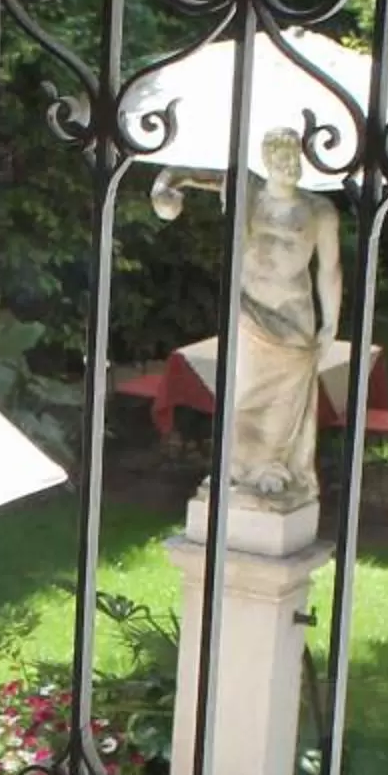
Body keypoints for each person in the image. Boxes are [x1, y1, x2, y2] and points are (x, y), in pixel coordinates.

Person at [155, 127, 345, 510]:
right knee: (243, 394)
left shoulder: (319, 211)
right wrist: (163, 191)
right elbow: (185, 173)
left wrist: (331, 322)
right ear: (266, 160)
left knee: (283, 399)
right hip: (250, 309)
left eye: (293, 158)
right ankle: (239, 467)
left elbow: (329, 268)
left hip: (292, 315)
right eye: (281, 158)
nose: (289, 165)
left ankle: (273, 466)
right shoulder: (248, 192)